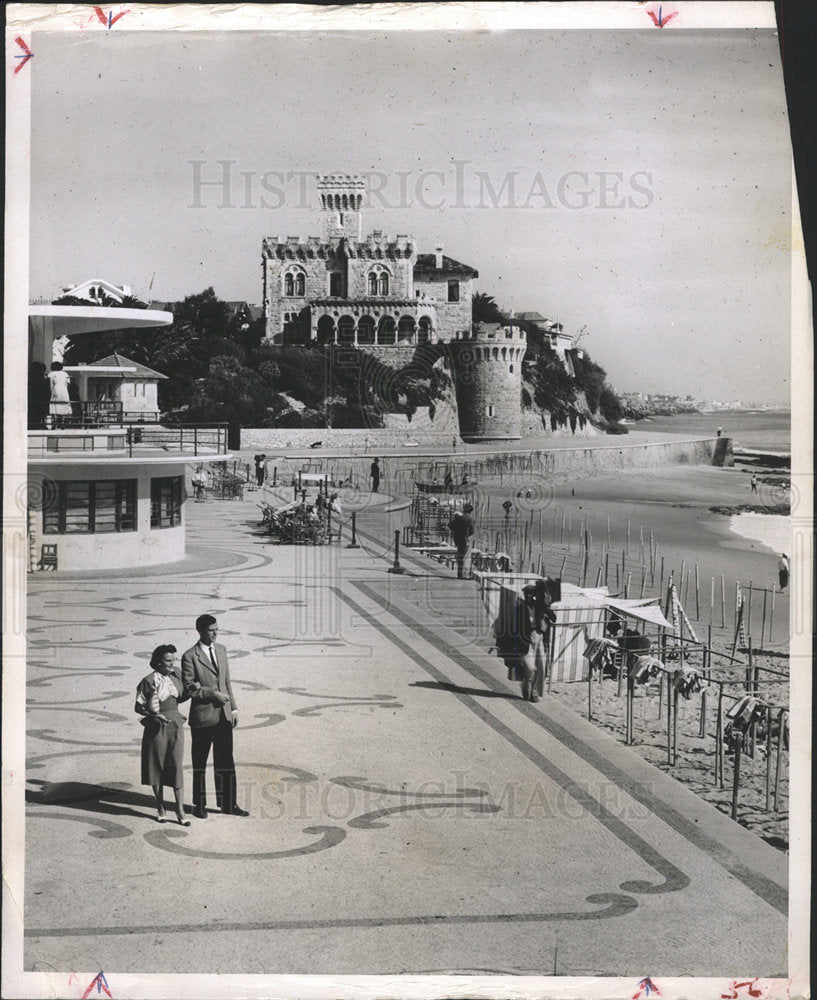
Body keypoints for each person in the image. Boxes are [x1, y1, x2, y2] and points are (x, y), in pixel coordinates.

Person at [181, 614, 248, 818]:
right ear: (200, 631)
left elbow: (226, 682)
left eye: (216, 629)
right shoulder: (189, 656)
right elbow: (190, 689)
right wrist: (212, 693)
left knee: (226, 761)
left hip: (224, 716)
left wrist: (234, 708)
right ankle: (199, 805)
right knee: (199, 763)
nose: (215, 633)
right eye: (211, 630)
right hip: (202, 718)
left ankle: (229, 804)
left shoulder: (221, 650)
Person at [135, 644, 195, 826]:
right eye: (169, 660)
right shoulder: (147, 681)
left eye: (174, 659)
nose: (173, 663)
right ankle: (160, 807)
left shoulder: (176, 674)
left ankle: (179, 809)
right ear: (158, 663)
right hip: (155, 728)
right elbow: (138, 707)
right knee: (156, 766)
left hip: (175, 725)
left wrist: (191, 691)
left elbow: (180, 697)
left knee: (175, 766)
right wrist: (154, 715)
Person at [518, 580, 556, 702]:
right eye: (527, 594)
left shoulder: (539, 606)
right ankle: (525, 684)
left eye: (531, 594)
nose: (529, 596)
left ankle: (534, 692)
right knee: (530, 668)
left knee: (541, 666)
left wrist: (547, 611)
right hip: (526, 639)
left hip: (539, 636)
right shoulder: (519, 608)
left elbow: (553, 617)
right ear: (524, 595)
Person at [448, 502, 475, 579]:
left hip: (458, 539)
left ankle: (460, 574)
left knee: (460, 557)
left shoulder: (459, 518)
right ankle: (464, 575)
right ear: (470, 511)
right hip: (466, 540)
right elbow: (472, 531)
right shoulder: (470, 519)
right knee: (465, 558)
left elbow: (450, 525)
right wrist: (467, 534)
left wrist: (457, 532)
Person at [47, 361, 73, 428]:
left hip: (56, 388)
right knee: (64, 404)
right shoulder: (65, 374)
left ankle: (55, 422)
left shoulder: (51, 374)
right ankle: (62, 421)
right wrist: (65, 391)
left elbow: (51, 385)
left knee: (54, 404)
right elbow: (67, 384)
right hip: (64, 390)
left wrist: (51, 392)